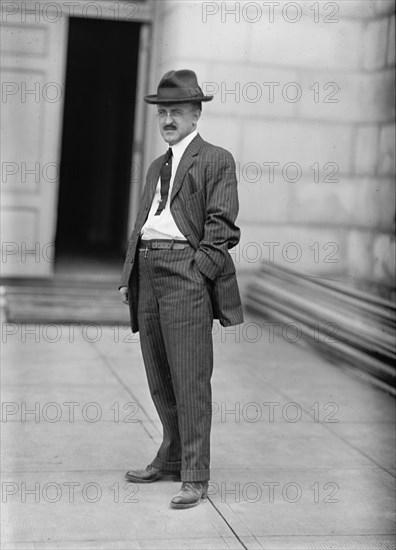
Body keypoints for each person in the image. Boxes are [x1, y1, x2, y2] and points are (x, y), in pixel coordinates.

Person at [119, 69, 243, 509]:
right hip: (148, 271)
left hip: (184, 272)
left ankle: (195, 473)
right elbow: (143, 222)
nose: (167, 119)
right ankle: (171, 455)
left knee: (190, 379)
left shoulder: (215, 159)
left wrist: (197, 272)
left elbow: (223, 226)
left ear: (196, 114)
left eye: (176, 111)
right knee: (159, 375)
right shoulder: (157, 165)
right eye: (162, 112)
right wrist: (129, 274)